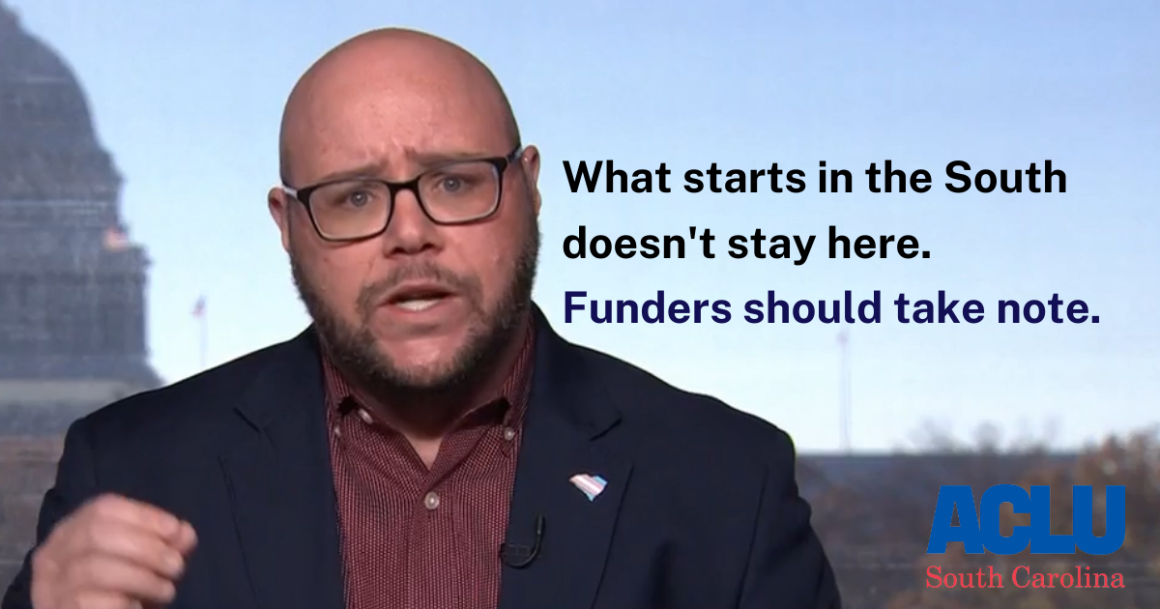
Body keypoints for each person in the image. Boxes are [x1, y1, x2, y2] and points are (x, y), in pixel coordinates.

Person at [2, 28, 841, 609]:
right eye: (355, 196)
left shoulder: (727, 481)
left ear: (529, 188)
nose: (410, 233)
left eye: (454, 181)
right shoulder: (133, 469)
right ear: (288, 226)